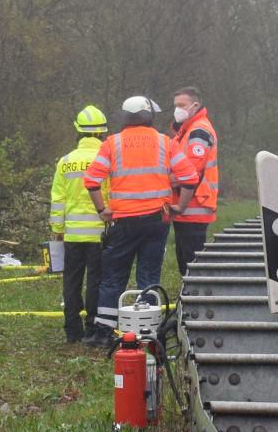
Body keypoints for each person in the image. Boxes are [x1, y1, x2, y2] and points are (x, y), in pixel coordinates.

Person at [83, 96, 200, 346]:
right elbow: (190, 177)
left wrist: (102, 209)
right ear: (149, 116)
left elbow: (92, 181)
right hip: (156, 220)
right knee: (148, 275)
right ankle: (147, 331)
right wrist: (179, 206)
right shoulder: (165, 143)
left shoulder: (111, 144)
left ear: (125, 117)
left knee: (113, 277)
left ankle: (104, 332)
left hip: (123, 222)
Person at [50, 104, 109, 343]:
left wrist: (57, 230)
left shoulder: (65, 161)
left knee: (72, 280)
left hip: (72, 236)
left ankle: (72, 331)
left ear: (78, 131)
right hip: (100, 234)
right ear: (101, 133)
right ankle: (93, 328)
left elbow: (58, 200)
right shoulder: (106, 159)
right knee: (96, 281)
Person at [168, 86, 220, 273]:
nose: (177, 109)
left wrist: (163, 181)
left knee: (192, 263)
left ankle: (196, 299)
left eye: (181, 105)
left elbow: (191, 170)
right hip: (188, 205)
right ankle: (190, 298)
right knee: (186, 260)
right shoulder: (187, 131)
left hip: (194, 204)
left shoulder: (198, 131)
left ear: (195, 105)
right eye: (175, 105)